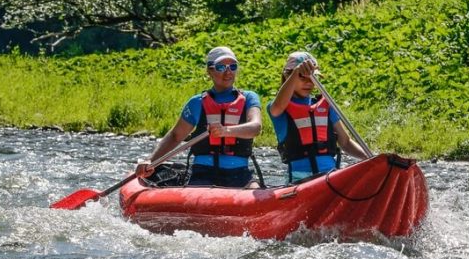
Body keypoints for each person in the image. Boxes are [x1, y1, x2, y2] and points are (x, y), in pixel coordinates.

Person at [135, 46, 262, 187]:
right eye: (221, 67)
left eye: (232, 66)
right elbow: (175, 136)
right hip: (203, 172)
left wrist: (226, 131)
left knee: (255, 190)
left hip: (240, 173)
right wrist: (150, 160)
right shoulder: (197, 102)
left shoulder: (249, 98)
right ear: (209, 71)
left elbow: (255, 127)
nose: (228, 72)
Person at [268, 51, 367, 183]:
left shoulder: (325, 105)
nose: (309, 83)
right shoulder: (277, 107)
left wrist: (371, 158)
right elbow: (276, 108)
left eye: (312, 78)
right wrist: (296, 71)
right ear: (287, 76)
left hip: (329, 176)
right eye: (302, 77)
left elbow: (346, 142)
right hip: (299, 179)